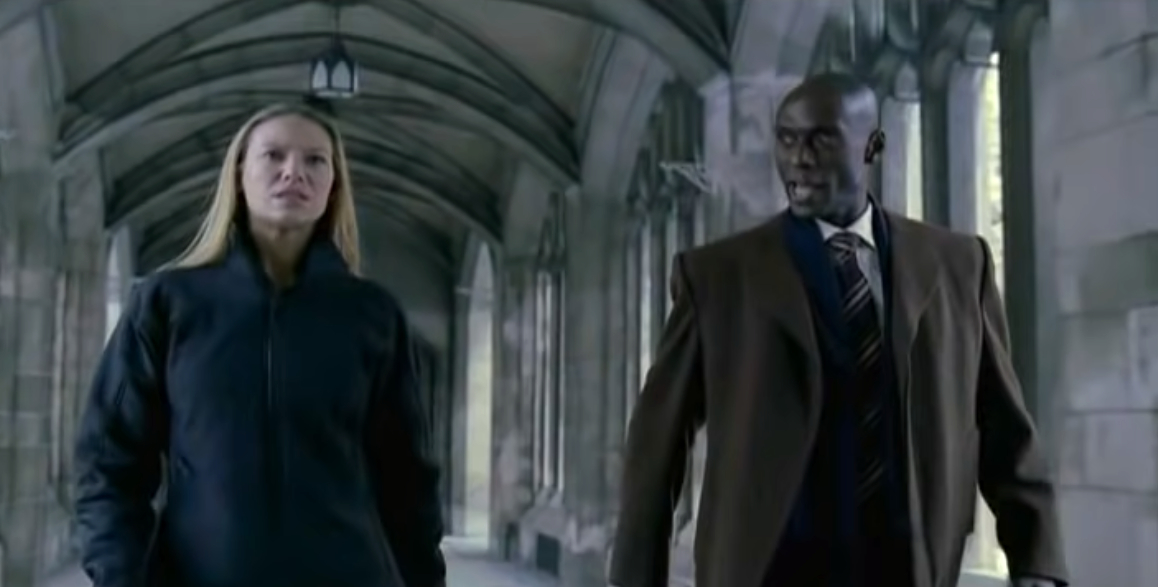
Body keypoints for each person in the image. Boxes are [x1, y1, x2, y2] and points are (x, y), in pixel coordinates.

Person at [607, 73, 1068, 587]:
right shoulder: (717, 277)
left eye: (821, 139)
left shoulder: (960, 266)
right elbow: (656, 448)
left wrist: (1037, 564)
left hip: (906, 571)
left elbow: (1006, 430)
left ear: (873, 145)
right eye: (786, 139)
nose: (799, 158)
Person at [73, 102, 446, 587]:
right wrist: (121, 577)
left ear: (333, 186)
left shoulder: (371, 315)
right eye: (274, 155)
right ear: (239, 174)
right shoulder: (167, 304)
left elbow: (407, 481)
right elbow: (108, 463)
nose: (295, 171)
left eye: (316, 160)